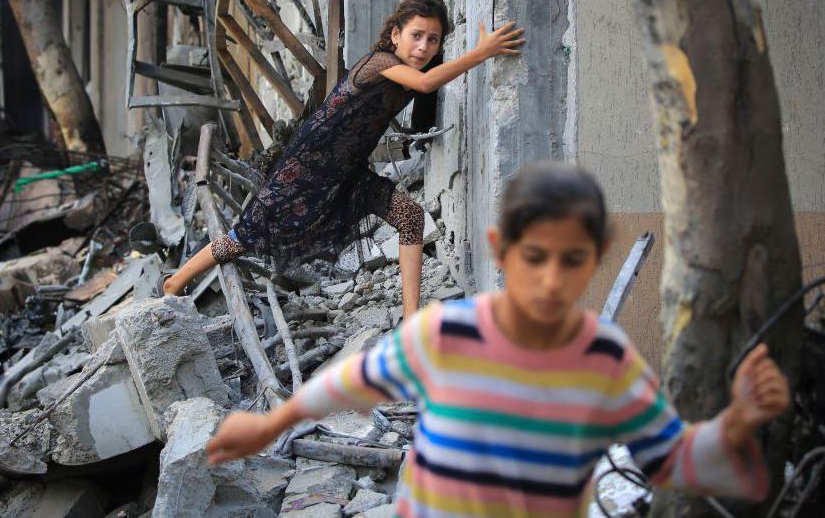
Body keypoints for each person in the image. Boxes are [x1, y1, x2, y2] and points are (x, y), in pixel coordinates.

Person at [206, 163, 791, 517]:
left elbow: (670, 458)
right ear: (500, 249)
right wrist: (272, 423)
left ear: (597, 258)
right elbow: (352, 381)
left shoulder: (607, 363)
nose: (552, 280)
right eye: (535, 258)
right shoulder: (447, 335)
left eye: (573, 260)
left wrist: (738, 420)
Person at [161, 0, 526, 321]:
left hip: (348, 172)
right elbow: (428, 83)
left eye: (433, 39)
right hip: (307, 166)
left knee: (410, 217)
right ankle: (175, 282)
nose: (424, 47)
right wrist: (481, 52)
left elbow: (423, 82)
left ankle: (412, 318)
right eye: (416, 35)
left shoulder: (405, 71)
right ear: (395, 35)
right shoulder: (379, 63)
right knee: (248, 233)